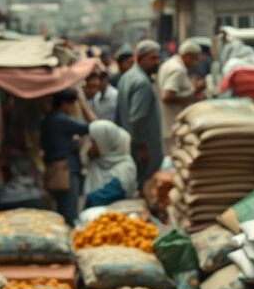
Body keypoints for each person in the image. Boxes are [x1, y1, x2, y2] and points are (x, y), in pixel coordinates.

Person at [42, 89, 94, 224]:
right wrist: (83, 104)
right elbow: (94, 126)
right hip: (66, 170)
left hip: (54, 169)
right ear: (65, 104)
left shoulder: (49, 118)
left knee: (61, 210)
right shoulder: (61, 119)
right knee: (69, 213)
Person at [116, 41, 164, 187]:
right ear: (140, 58)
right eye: (152, 58)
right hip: (143, 146)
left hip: (130, 143)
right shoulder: (141, 82)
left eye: (158, 58)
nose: (157, 62)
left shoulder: (127, 76)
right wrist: (142, 147)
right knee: (145, 185)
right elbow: (137, 118)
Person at [158, 40, 204, 153]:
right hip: (173, 125)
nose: (194, 63)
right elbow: (167, 96)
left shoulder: (169, 64)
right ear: (187, 55)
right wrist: (194, 92)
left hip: (169, 124)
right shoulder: (177, 69)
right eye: (194, 59)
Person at [83, 120, 138, 208]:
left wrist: (86, 200)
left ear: (104, 143)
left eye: (93, 142)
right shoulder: (99, 160)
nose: (90, 146)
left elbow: (107, 195)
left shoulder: (126, 167)